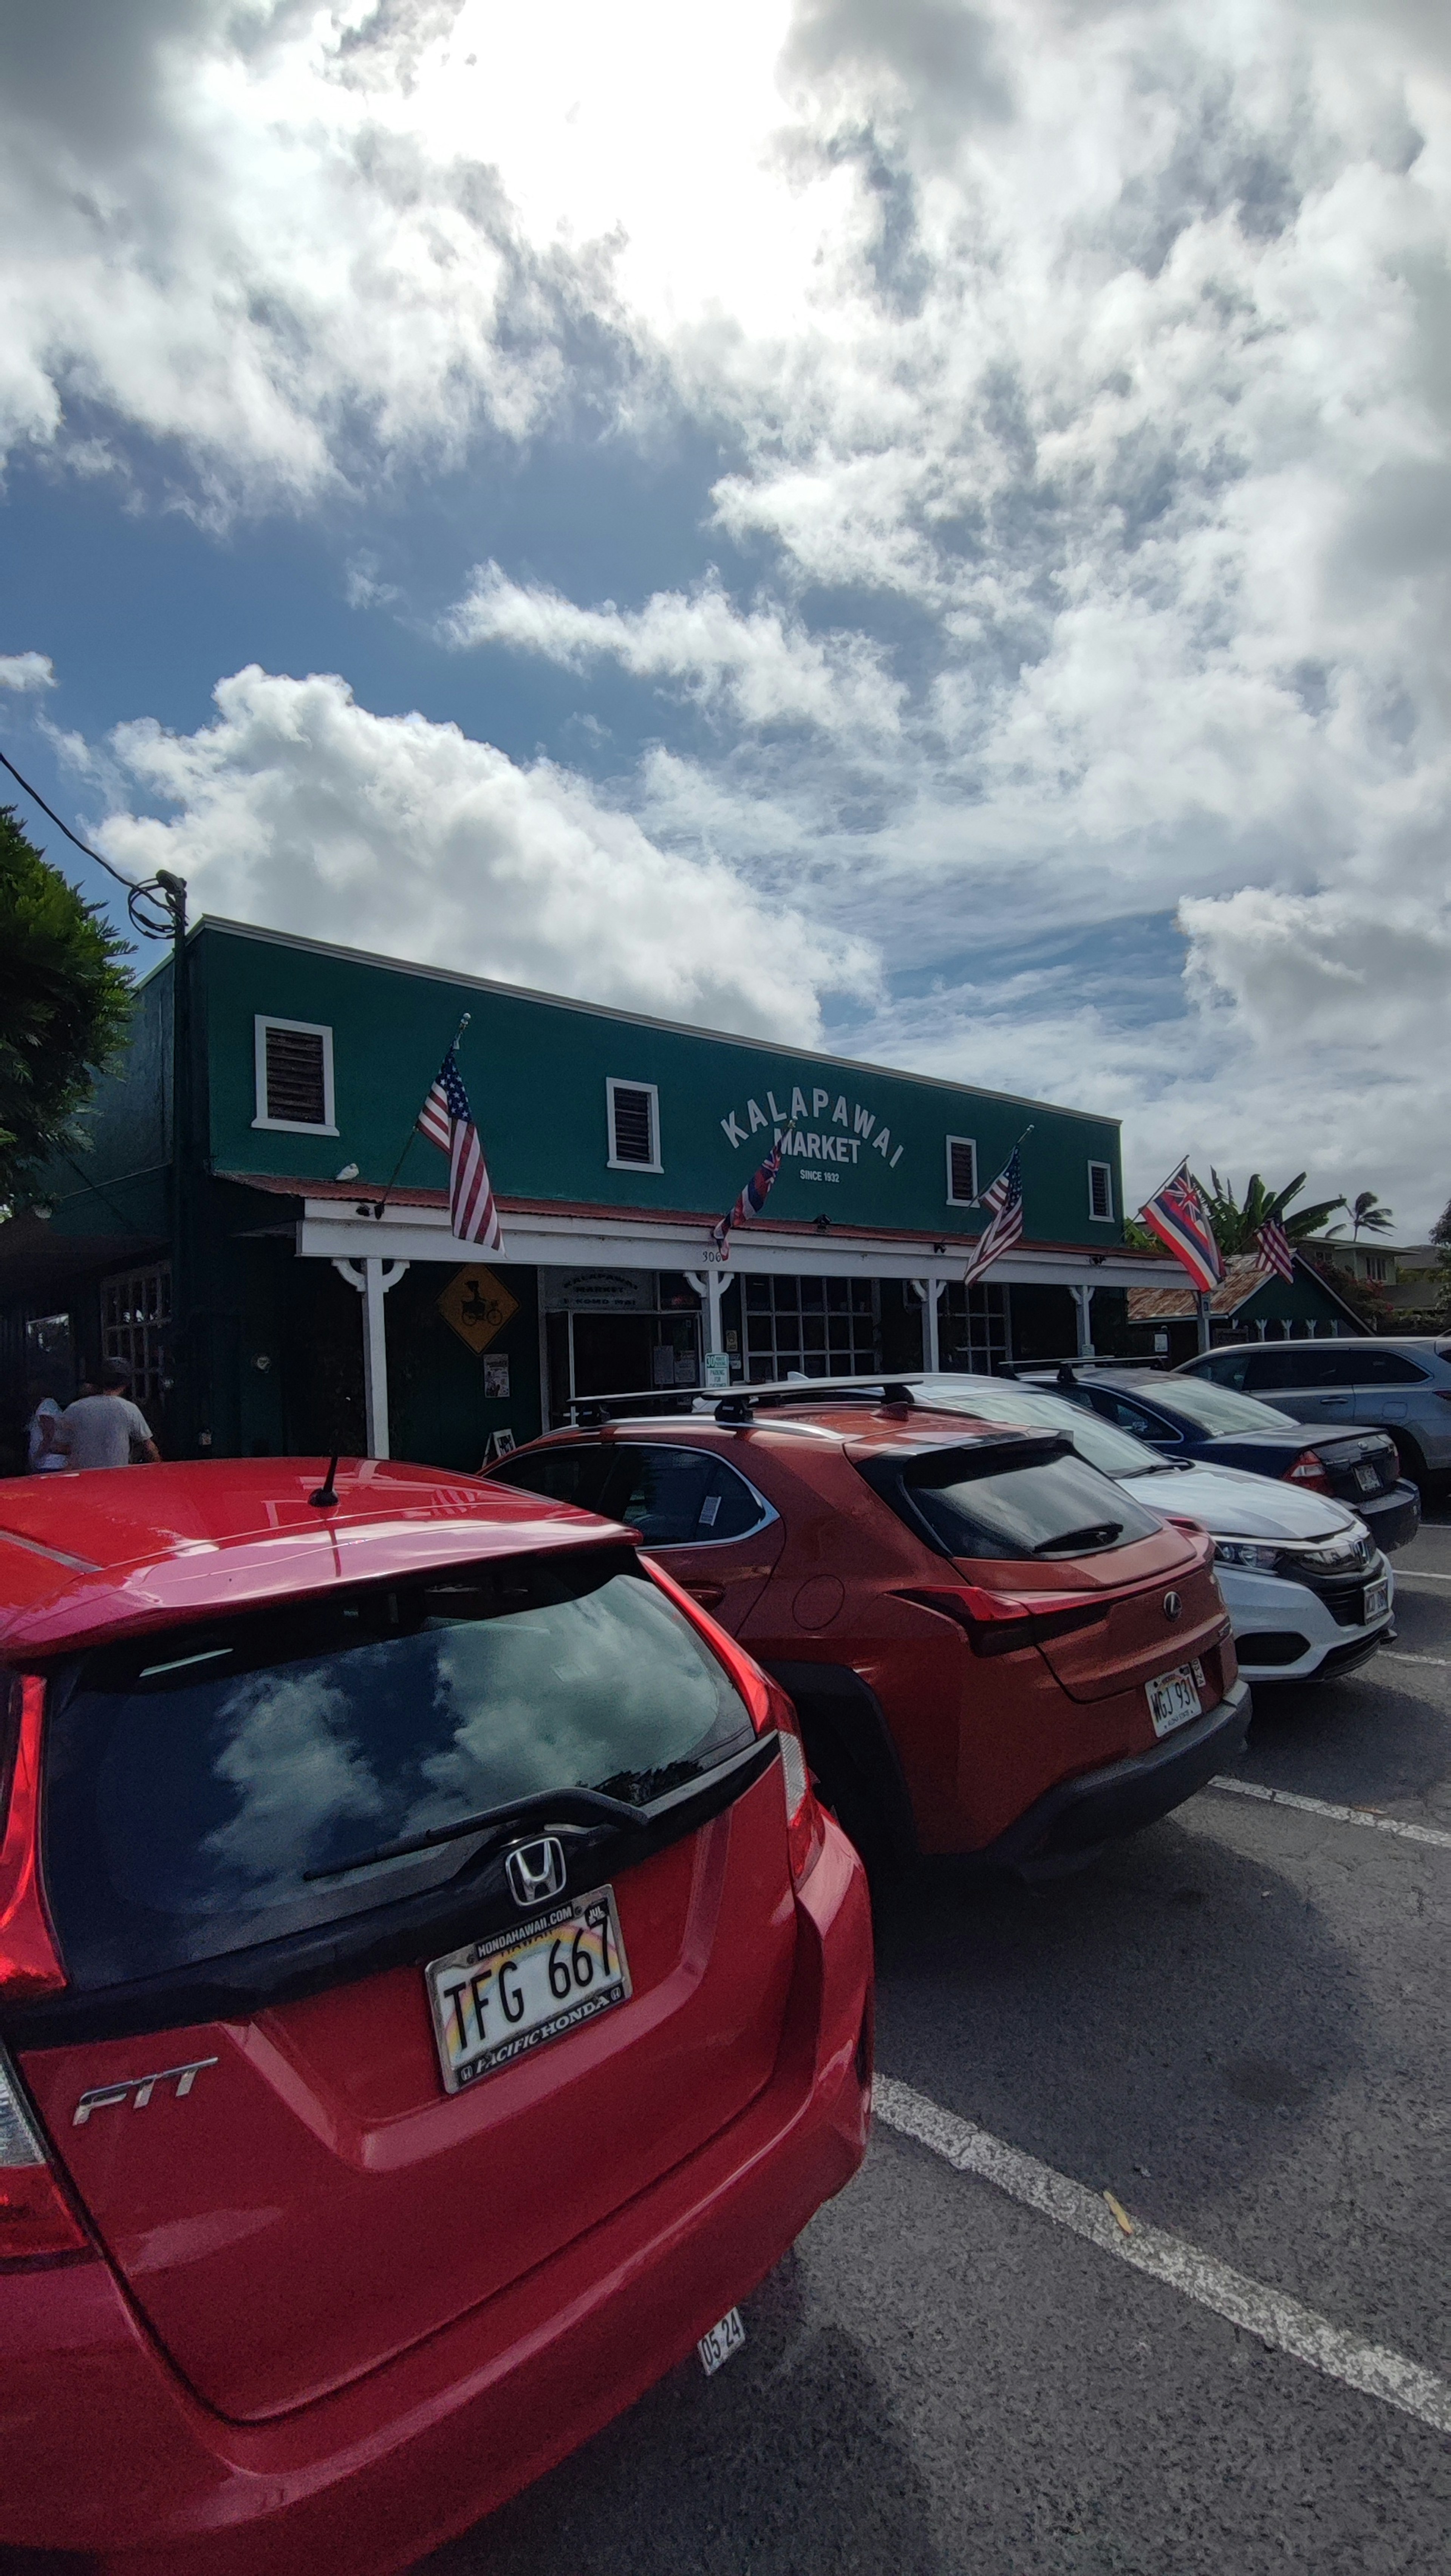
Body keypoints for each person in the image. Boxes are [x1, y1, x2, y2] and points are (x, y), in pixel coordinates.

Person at [55, 1363, 160, 1470]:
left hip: (84, 1477)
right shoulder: (128, 1408)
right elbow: (149, 1448)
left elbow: (59, 1447)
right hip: (116, 1477)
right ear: (125, 1385)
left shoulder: (75, 1409)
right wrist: (161, 1471)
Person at [25, 1375, 68, 1473]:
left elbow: (49, 1435)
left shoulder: (46, 1406)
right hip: (49, 1463)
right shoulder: (44, 1406)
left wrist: (37, 1456)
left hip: (50, 1463)